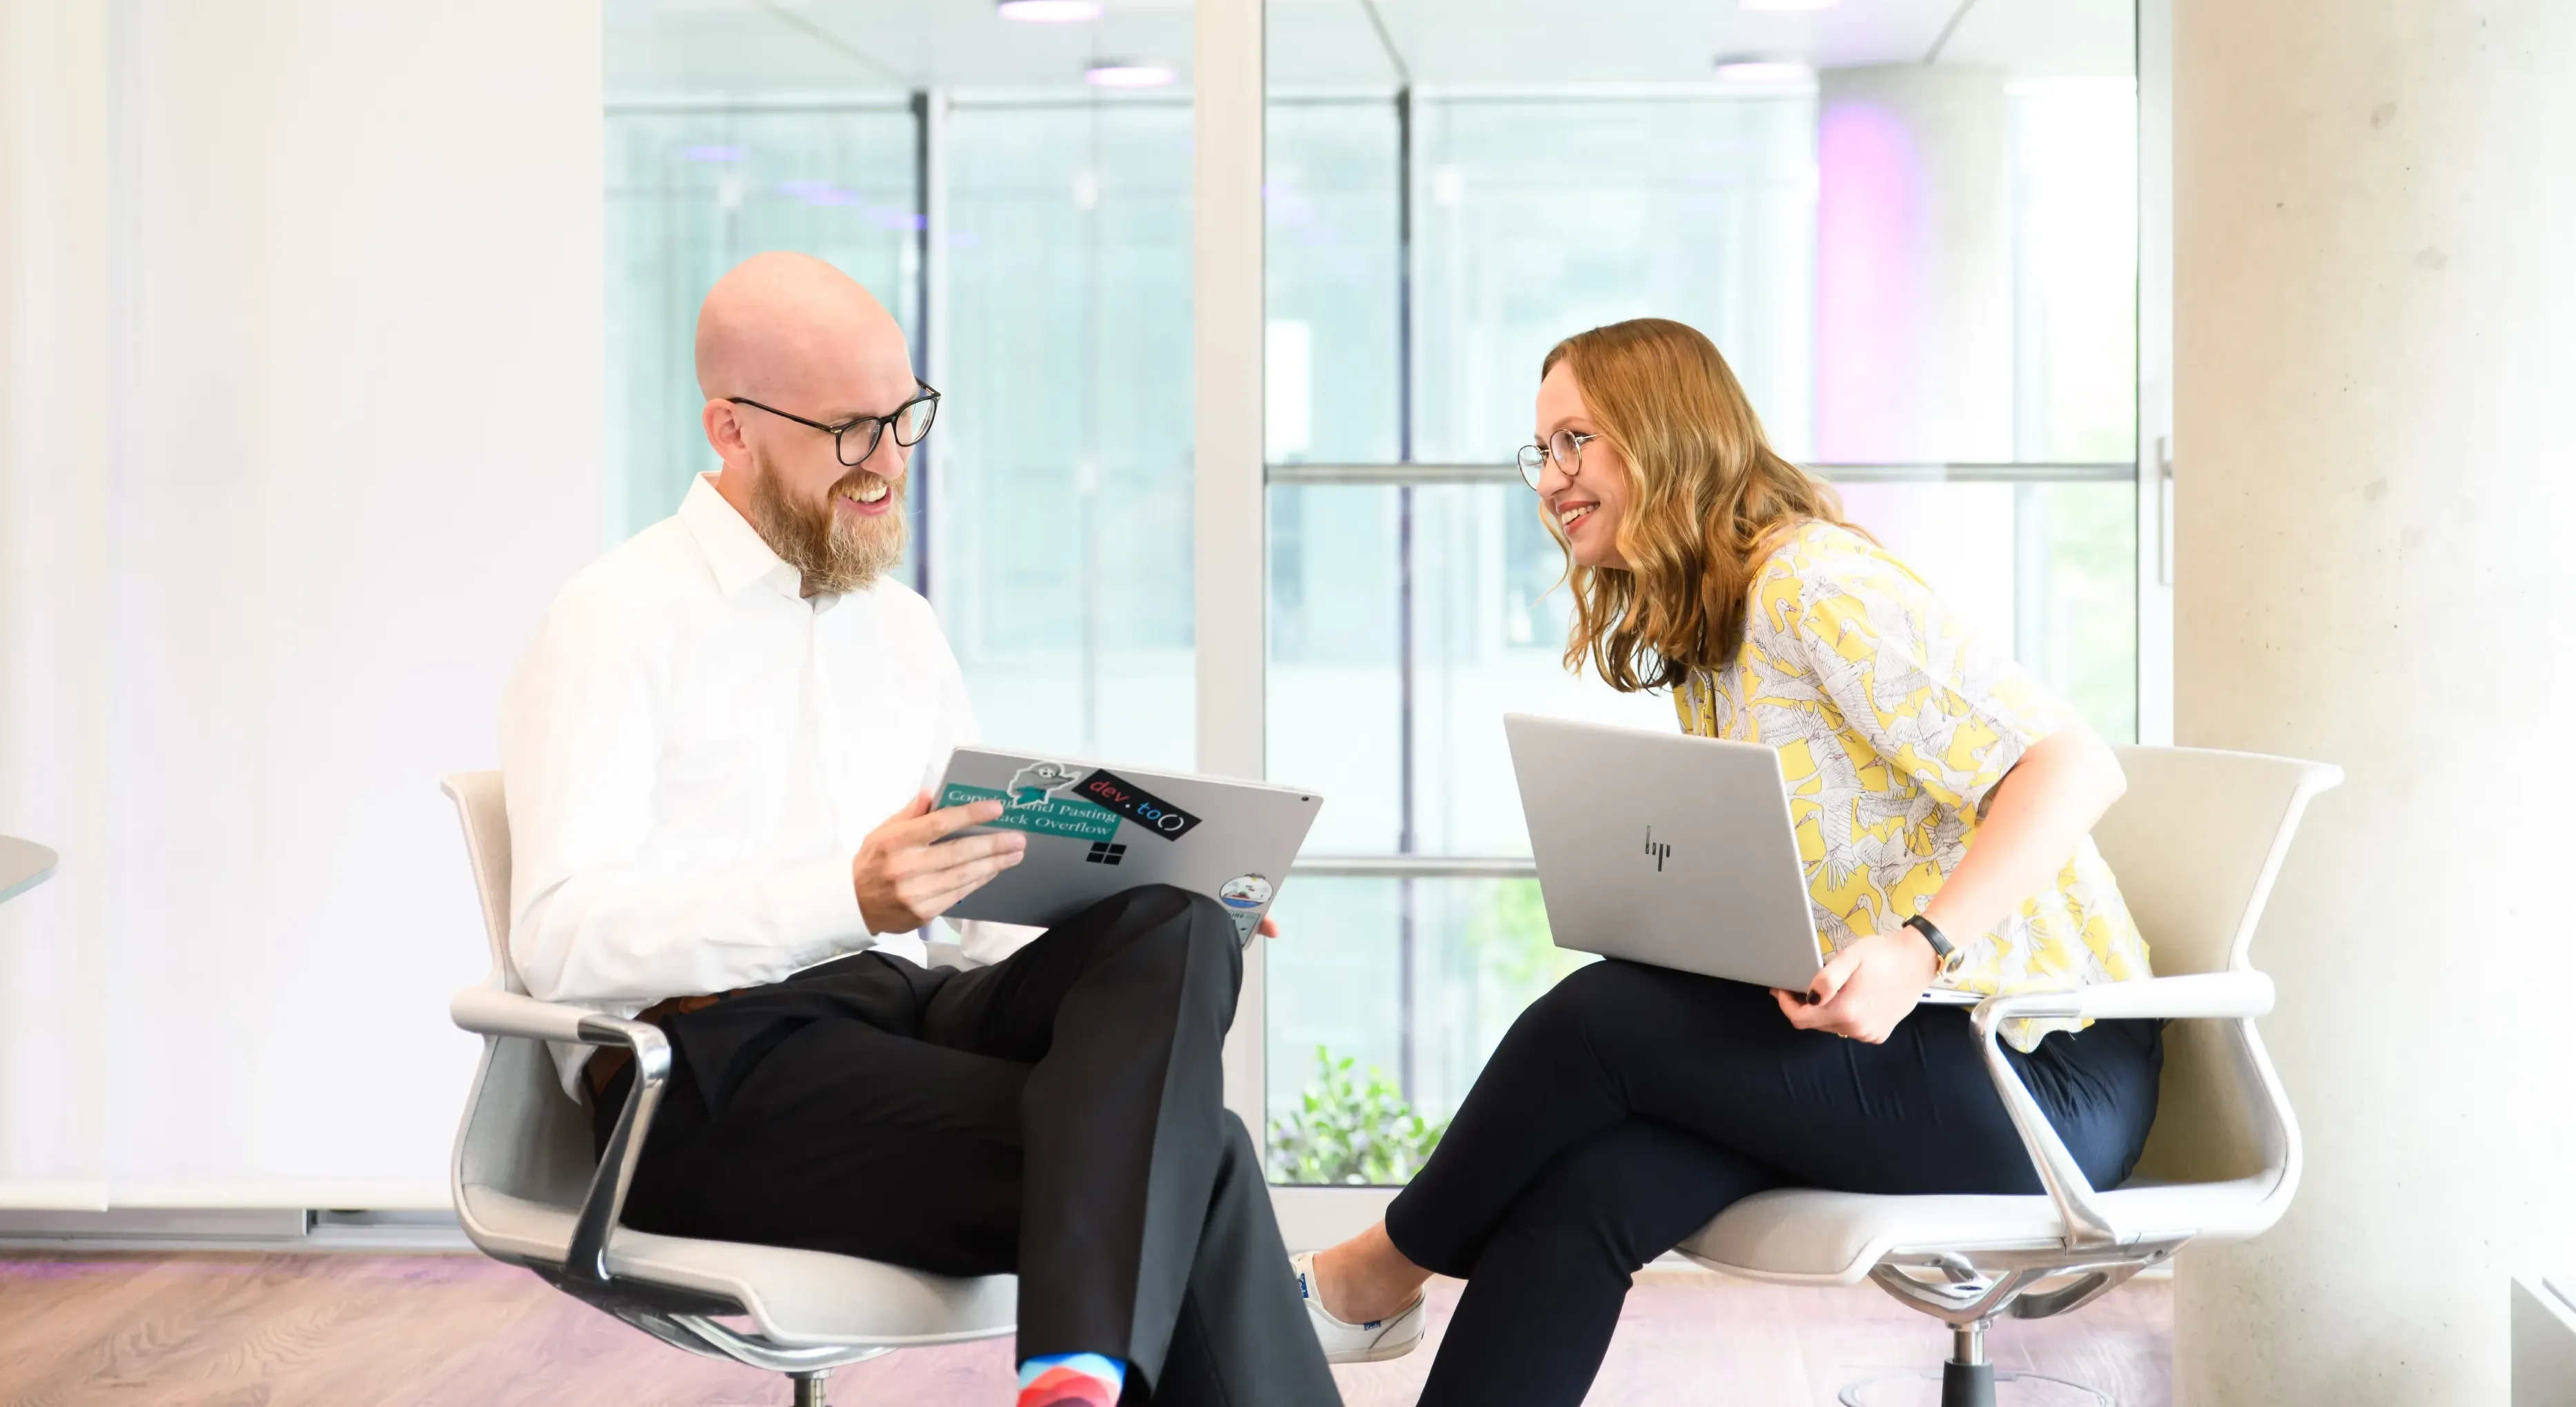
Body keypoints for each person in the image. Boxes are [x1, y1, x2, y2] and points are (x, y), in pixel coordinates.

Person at [499, 252, 1339, 1407]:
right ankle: (1075, 1367)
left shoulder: (900, 627)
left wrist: (1134, 881)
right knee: (1202, 1155)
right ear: (731, 428)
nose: (890, 461)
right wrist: (844, 896)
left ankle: (1072, 1372)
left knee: (1178, 924)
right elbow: (559, 938)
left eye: (905, 417)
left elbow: (971, 913)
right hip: (705, 1076)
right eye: (851, 429)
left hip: (904, 1017)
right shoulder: (616, 617)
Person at [1290, 317, 2163, 1404]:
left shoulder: (1814, 584)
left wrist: (1919, 946)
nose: (1552, 478)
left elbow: (2073, 765)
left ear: (1662, 435)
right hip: (1906, 1053)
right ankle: (1378, 1288)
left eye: (1577, 442)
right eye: (1543, 452)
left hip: (2040, 1070)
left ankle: (1376, 1270)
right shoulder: (1714, 624)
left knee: (1596, 1021)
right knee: (1595, 1186)